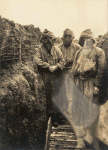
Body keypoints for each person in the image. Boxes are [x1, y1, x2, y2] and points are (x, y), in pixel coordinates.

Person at [70, 29, 106, 149]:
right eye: (84, 40)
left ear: (92, 41)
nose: (87, 43)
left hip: (91, 84)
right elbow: (74, 69)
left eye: (89, 40)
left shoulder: (99, 52)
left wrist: (96, 85)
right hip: (79, 83)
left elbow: (101, 70)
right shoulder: (78, 52)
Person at [33, 29, 65, 127]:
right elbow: (37, 60)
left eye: (51, 38)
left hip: (56, 75)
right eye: (46, 39)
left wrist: (56, 66)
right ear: (42, 40)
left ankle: (58, 116)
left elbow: (62, 61)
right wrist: (48, 66)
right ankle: (51, 118)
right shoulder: (38, 49)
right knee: (48, 96)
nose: (49, 41)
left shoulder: (57, 50)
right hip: (45, 76)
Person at [58, 29, 81, 113]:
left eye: (69, 36)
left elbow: (83, 57)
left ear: (72, 38)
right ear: (62, 37)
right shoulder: (58, 47)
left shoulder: (77, 47)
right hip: (61, 71)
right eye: (65, 36)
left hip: (73, 72)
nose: (67, 38)